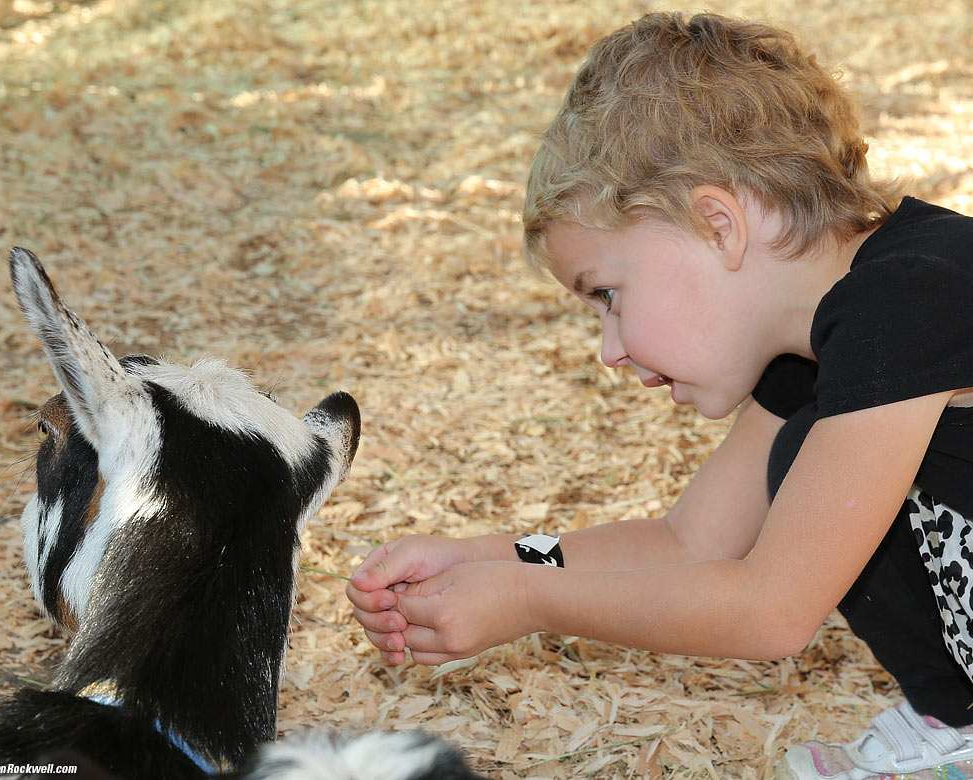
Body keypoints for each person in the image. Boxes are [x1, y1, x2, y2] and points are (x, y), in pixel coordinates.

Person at [346, 12, 973, 779]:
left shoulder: (911, 298)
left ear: (717, 224)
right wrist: (485, 559)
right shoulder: (820, 339)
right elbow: (688, 543)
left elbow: (768, 608)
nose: (610, 349)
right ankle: (955, 717)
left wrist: (529, 602)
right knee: (797, 454)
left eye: (607, 294)